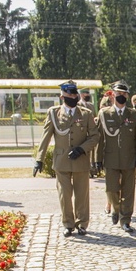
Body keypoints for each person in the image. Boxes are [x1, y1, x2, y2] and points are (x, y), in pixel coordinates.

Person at [35, 80, 99, 237]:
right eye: (70, 94)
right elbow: (46, 137)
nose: (73, 97)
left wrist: (81, 149)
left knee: (82, 194)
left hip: (81, 160)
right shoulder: (54, 113)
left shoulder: (86, 113)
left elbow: (95, 136)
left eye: (75, 94)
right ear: (62, 96)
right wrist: (39, 159)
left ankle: (82, 223)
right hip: (62, 161)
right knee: (64, 194)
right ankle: (68, 224)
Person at [95, 81, 136, 233]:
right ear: (112, 94)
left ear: (127, 96)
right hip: (111, 159)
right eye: (118, 93)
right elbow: (100, 139)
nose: (121, 96)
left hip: (129, 158)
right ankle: (115, 209)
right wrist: (97, 160)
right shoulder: (105, 114)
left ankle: (126, 219)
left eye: (123, 94)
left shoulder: (134, 115)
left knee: (128, 192)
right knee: (111, 189)